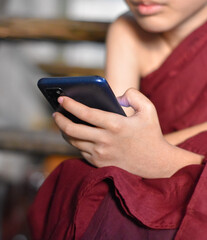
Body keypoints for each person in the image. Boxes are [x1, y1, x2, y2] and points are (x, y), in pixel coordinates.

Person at [29, 0, 207, 239]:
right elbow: (122, 133)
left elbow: (131, 146)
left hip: (190, 170)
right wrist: (104, 138)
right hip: (147, 169)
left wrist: (151, 152)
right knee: (83, 184)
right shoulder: (127, 29)